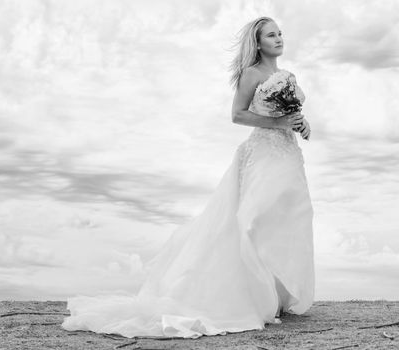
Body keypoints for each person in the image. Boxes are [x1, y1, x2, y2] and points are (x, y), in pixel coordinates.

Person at [61, 16, 315, 339]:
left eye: (280, 33)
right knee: (255, 218)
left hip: (288, 154)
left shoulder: (285, 76)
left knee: (287, 217)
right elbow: (237, 114)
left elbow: (292, 115)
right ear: (258, 42)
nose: (278, 39)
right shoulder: (252, 74)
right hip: (263, 153)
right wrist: (278, 124)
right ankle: (254, 297)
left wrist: (301, 125)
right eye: (270, 35)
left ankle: (276, 297)